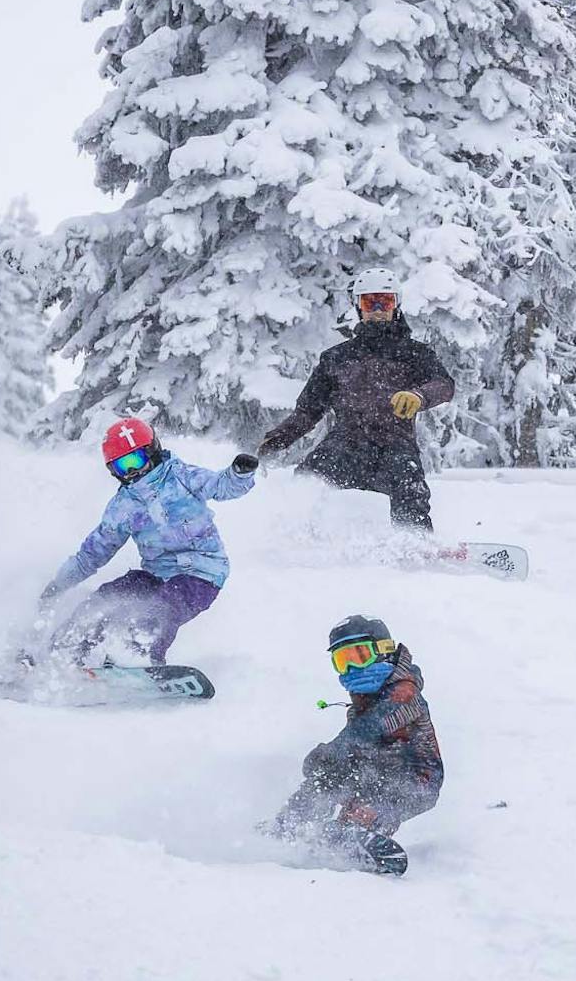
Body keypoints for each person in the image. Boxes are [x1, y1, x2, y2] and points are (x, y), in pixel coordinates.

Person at [38, 417, 259, 667]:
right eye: (123, 467)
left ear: (152, 451)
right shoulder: (123, 506)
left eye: (136, 460)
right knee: (104, 601)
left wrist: (239, 475)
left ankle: (137, 656)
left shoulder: (181, 476)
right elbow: (92, 554)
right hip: (155, 574)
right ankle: (61, 654)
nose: (132, 471)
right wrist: (59, 584)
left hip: (202, 573)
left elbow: (220, 486)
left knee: (160, 608)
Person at [258, 267, 454, 531]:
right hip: (346, 444)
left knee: (410, 487)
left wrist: (418, 396)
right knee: (308, 481)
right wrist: (279, 438)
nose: (376, 308)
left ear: (396, 305)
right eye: (368, 301)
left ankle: (415, 543)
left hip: (395, 445)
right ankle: (293, 537)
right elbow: (308, 411)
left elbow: (443, 385)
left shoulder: (414, 354)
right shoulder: (337, 358)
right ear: (358, 307)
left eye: (384, 301)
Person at [270, 615, 444, 874]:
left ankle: (357, 833)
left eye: (359, 655)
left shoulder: (405, 693)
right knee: (325, 779)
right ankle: (292, 824)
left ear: (383, 650)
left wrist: (332, 751)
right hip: (372, 771)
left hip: (415, 781)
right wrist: (324, 768)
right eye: (342, 661)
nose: (352, 668)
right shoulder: (365, 699)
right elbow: (355, 744)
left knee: (373, 802)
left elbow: (369, 730)